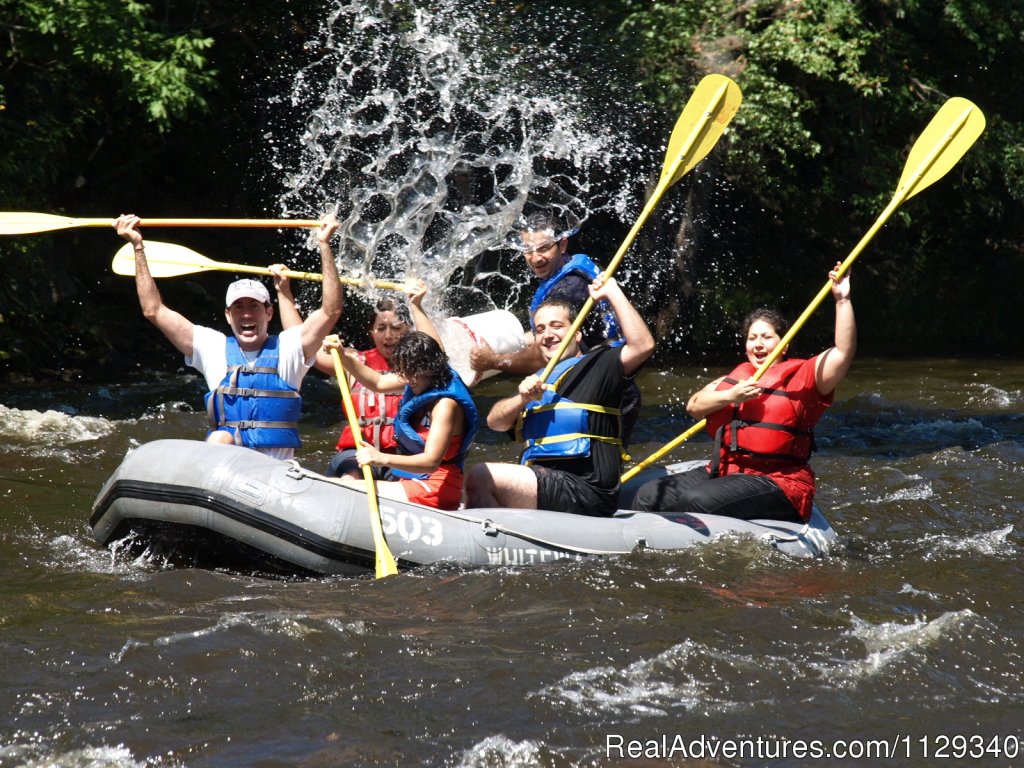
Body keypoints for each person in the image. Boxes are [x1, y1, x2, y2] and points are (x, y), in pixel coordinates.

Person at [632, 262, 855, 523]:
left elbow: (842, 352)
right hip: (727, 471)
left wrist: (842, 300)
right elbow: (694, 405)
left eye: (767, 337)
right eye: (752, 338)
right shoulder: (736, 379)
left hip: (779, 483)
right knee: (648, 495)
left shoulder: (804, 378)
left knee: (695, 500)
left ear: (783, 345)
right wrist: (731, 396)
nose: (758, 344)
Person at [113, 212, 343, 460]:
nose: (246, 315)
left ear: (268, 312)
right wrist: (137, 247)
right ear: (228, 315)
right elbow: (154, 310)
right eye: (239, 308)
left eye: (254, 307)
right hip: (228, 470)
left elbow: (331, 310)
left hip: (277, 475)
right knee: (220, 437)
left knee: (221, 439)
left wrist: (324, 245)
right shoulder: (211, 346)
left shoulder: (290, 347)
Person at [463, 275, 654, 516]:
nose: (548, 334)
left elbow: (643, 346)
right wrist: (522, 399)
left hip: (587, 489)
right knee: (480, 481)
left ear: (577, 335)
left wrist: (612, 292)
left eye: (557, 326)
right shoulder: (539, 380)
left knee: (481, 475)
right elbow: (495, 423)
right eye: (540, 329)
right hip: (547, 483)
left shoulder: (600, 364)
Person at [468, 209, 642, 445]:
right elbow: (548, 335)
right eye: (528, 250)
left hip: (606, 385)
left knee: (594, 455)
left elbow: (546, 355)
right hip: (586, 375)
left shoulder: (569, 289)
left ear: (562, 244)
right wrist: (510, 343)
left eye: (543, 248)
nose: (535, 258)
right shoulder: (565, 271)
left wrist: (495, 361)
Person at [274, 274, 441, 477]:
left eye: (396, 328)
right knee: (351, 476)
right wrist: (284, 293)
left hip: (402, 455)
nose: (388, 335)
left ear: (409, 330)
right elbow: (301, 342)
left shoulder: (419, 370)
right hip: (358, 454)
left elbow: (436, 355)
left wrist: (416, 305)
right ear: (371, 332)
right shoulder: (351, 360)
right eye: (381, 328)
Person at [324, 331, 477, 510]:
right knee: (336, 487)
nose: (408, 380)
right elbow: (378, 382)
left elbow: (431, 462)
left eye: (412, 373)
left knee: (342, 489)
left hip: (435, 486)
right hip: (413, 477)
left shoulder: (445, 405)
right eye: (404, 372)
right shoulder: (419, 377)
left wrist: (381, 458)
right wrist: (342, 356)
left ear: (430, 368)